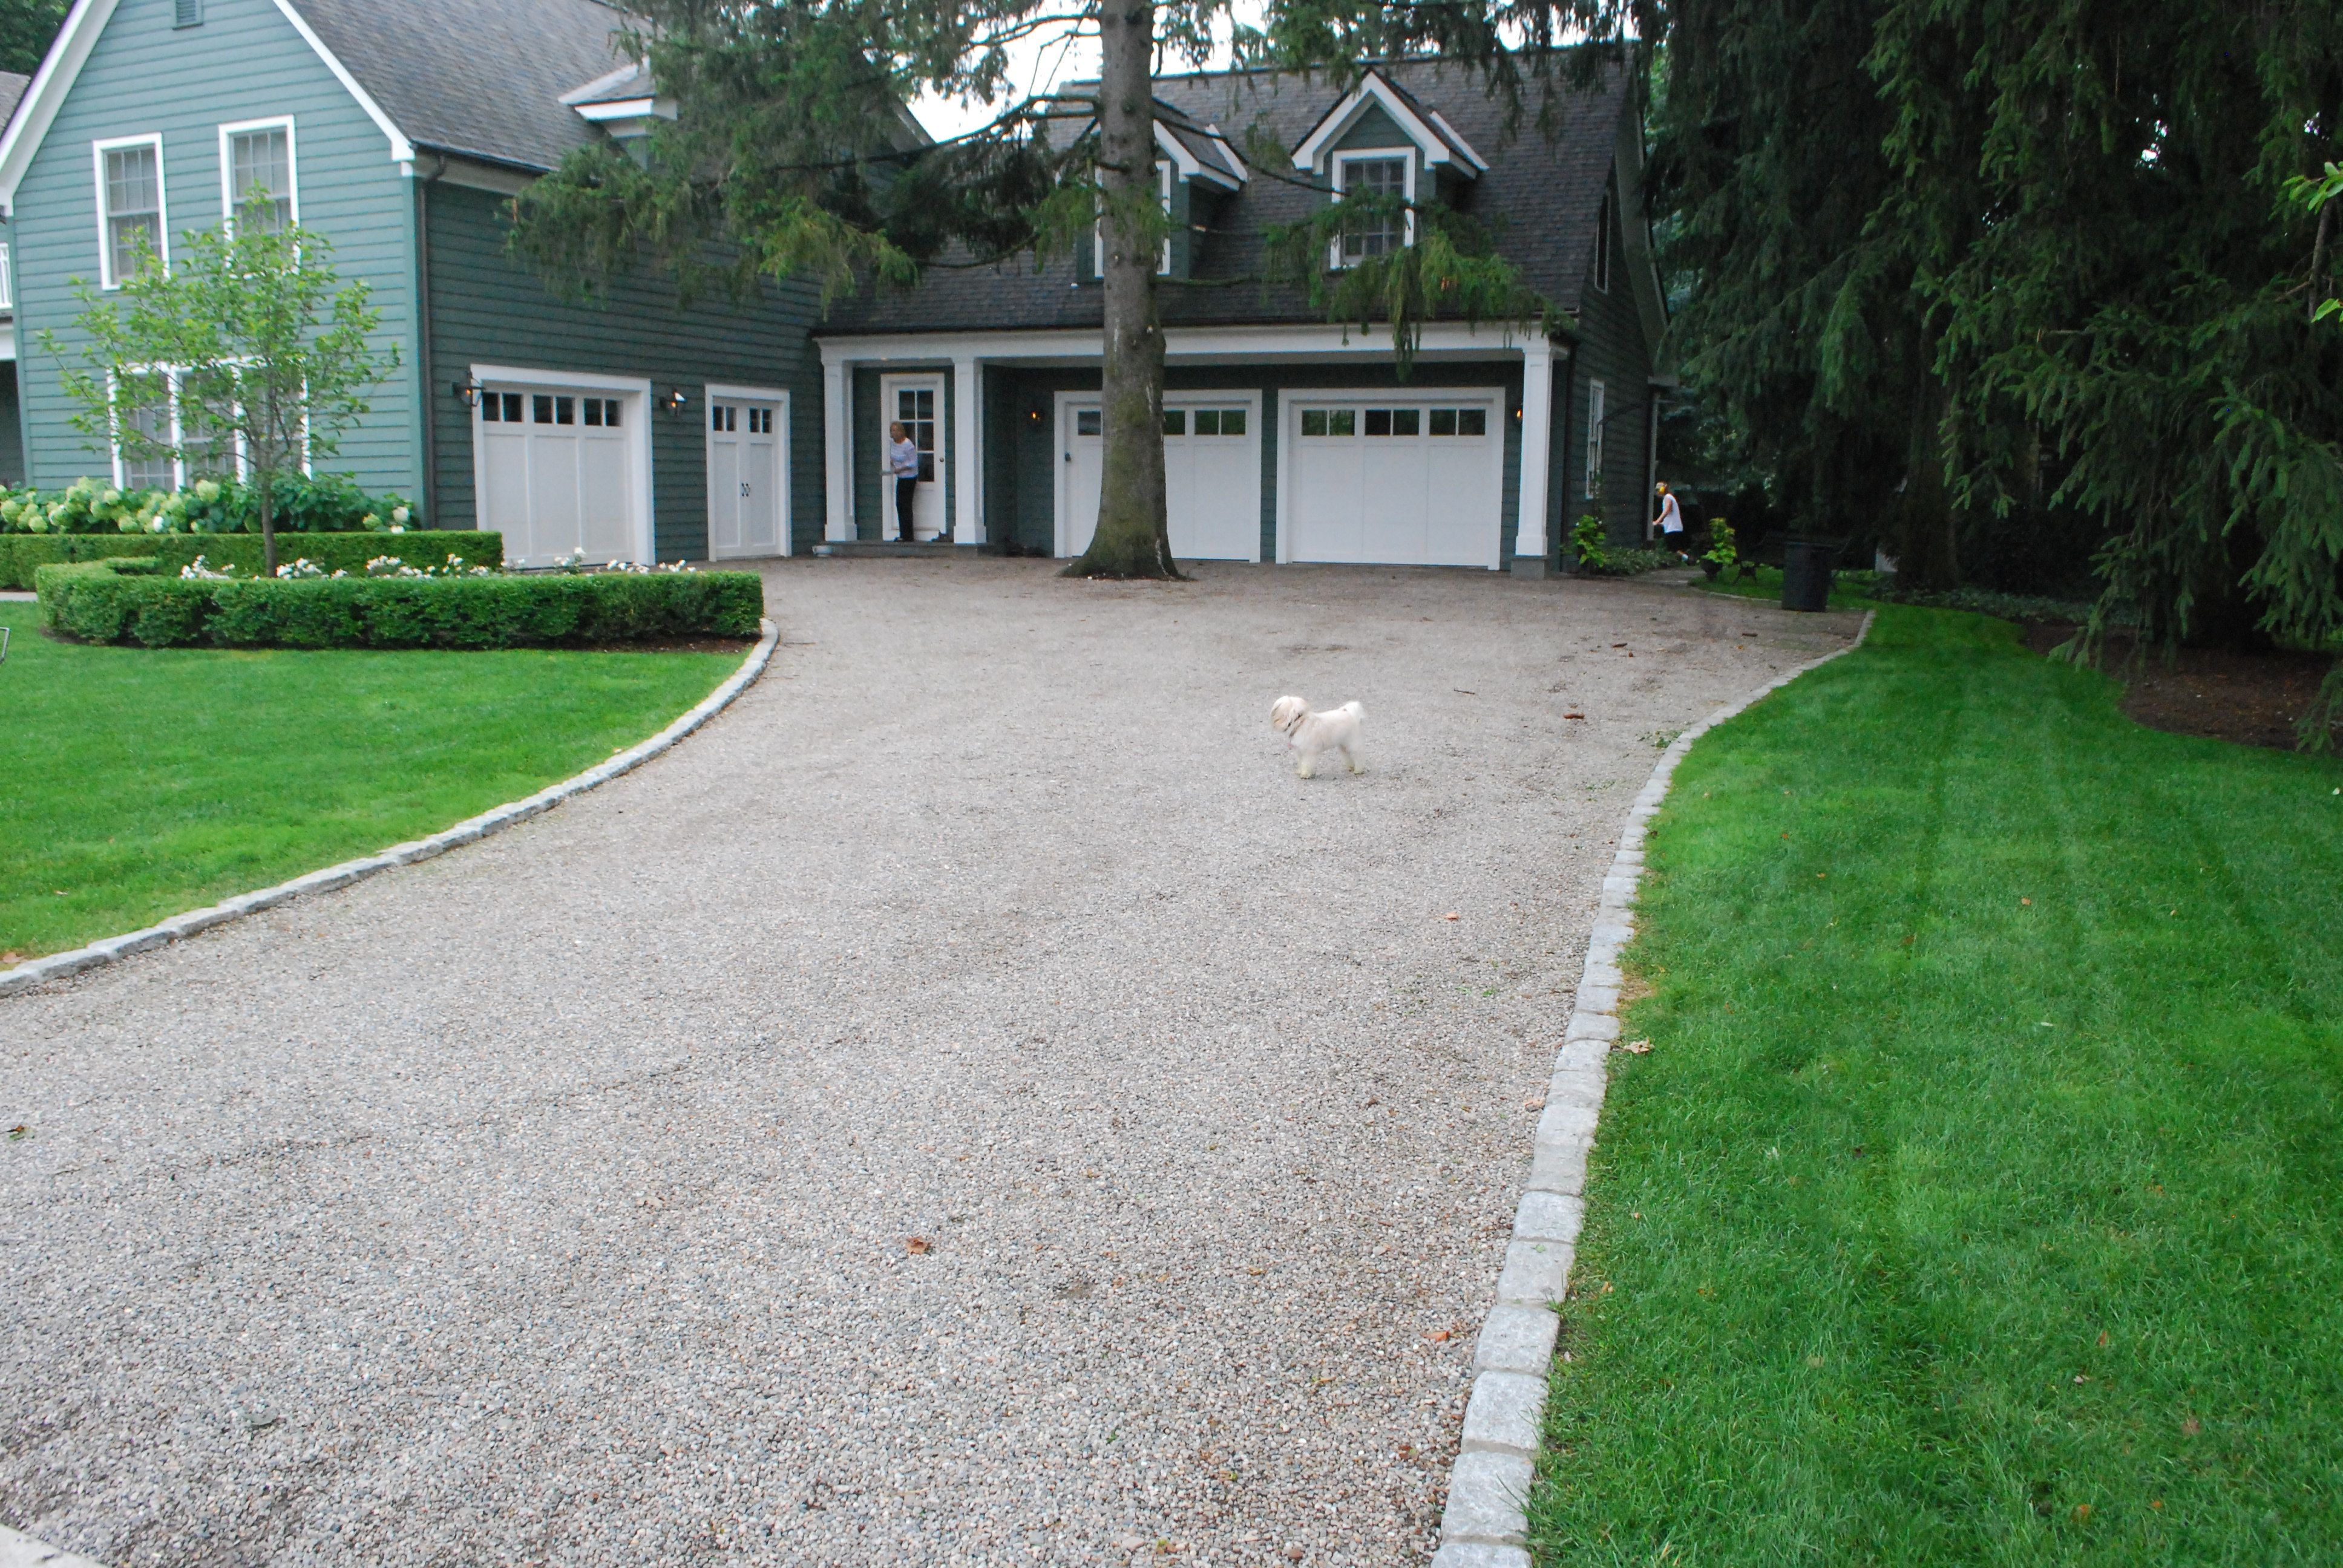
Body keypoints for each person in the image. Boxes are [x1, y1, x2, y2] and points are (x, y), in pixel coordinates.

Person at [887, 421, 922, 543]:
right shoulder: (892, 443)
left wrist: (901, 468)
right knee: (899, 505)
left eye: (896, 430)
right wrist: (893, 464)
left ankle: (908, 536)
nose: (894, 433)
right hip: (901, 477)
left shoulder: (908, 445)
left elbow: (914, 463)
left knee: (906, 505)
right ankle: (903, 534)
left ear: (901, 431)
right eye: (892, 430)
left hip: (909, 478)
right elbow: (894, 457)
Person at [1651, 480, 1686, 558]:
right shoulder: (1669, 498)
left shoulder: (1668, 497)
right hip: (1672, 528)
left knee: (1674, 550)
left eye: (1659, 489)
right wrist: (1662, 524)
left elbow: (1667, 511)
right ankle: (1684, 561)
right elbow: (1670, 516)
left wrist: (1657, 522)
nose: (1658, 492)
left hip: (1673, 529)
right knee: (1673, 550)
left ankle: (1689, 560)